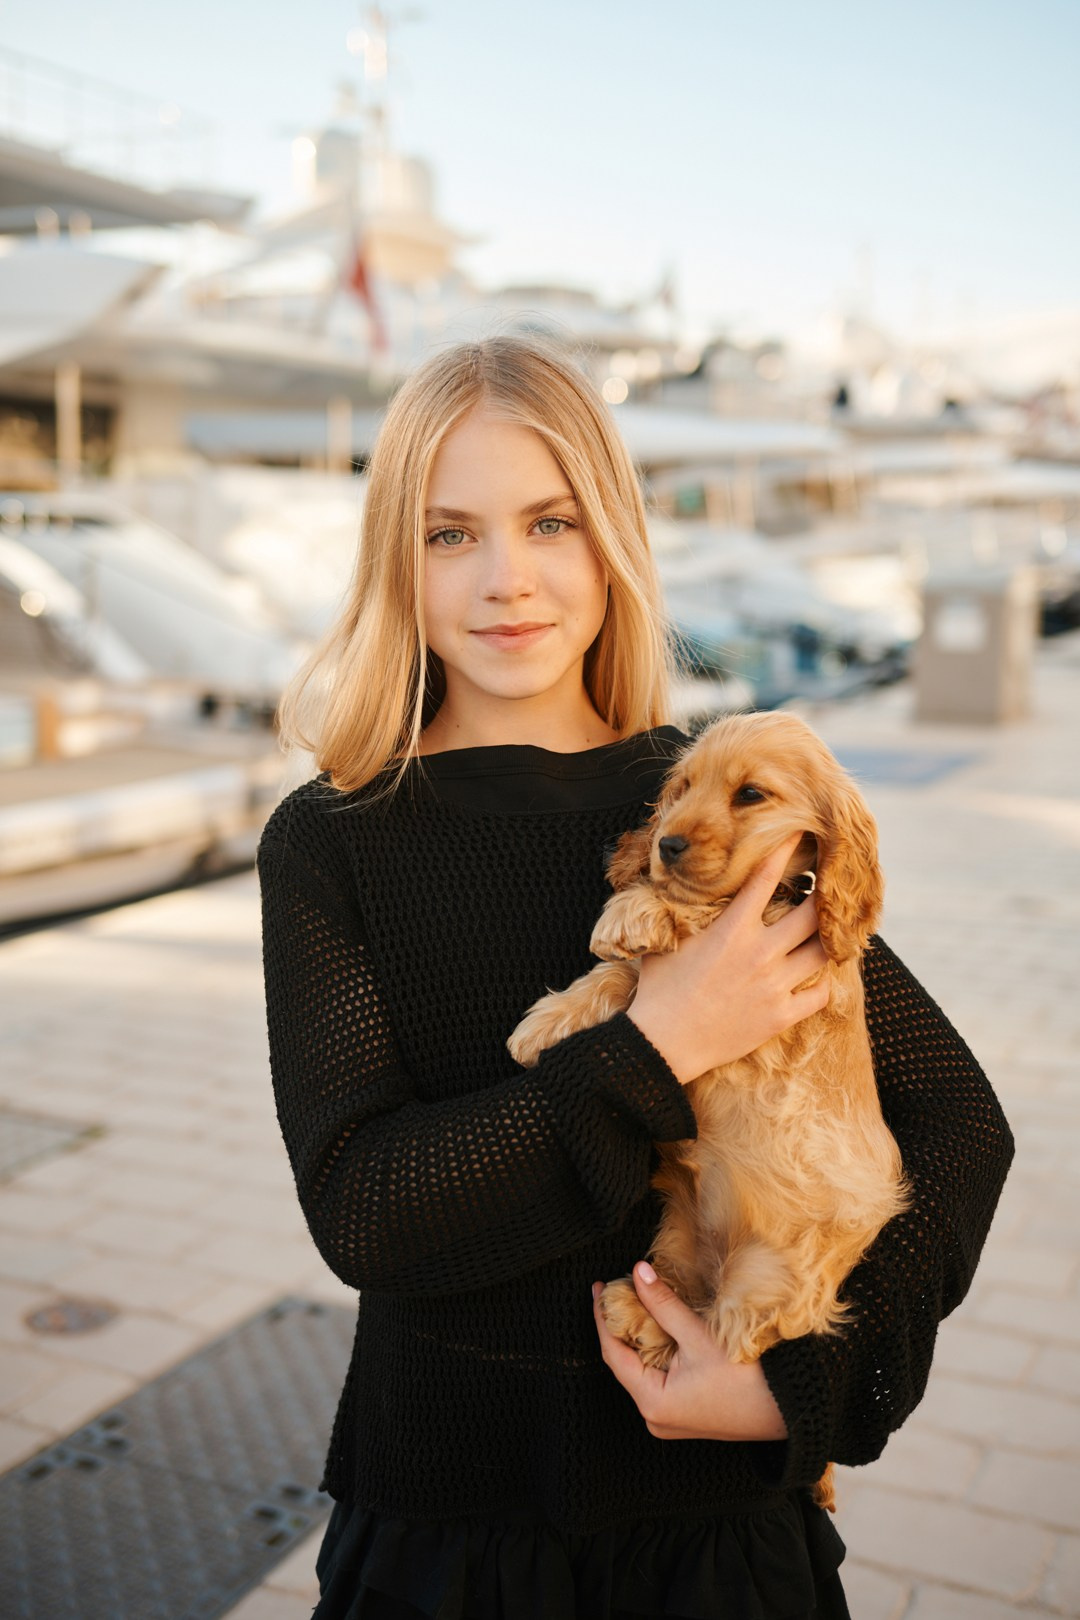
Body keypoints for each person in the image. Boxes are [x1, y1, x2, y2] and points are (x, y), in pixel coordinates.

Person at [256, 335, 1013, 1620]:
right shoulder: (334, 838)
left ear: (611, 539)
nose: (507, 578)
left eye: (550, 523)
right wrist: (654, 1047)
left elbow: (959, 1125)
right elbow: (365, 1209)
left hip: (714, 1537)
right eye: (450, 534)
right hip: (442, 1522)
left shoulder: (704, 801)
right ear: (396, 558)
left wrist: (804, 1391)